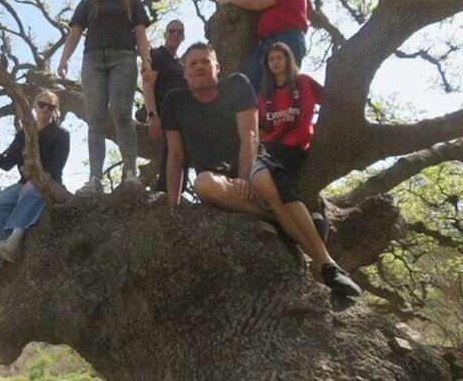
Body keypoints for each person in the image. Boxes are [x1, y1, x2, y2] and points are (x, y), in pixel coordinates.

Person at [161, 43, 360, 297]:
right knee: (202, 183)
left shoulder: (236, 85)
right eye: (193, 63)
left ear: (217, 67)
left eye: (205, 61)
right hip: (217, 176)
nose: (199, 66)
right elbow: (176, 157)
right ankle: (291, 222)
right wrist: (173, 208)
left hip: (251, 161)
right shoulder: (174, 101)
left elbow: (250, 136)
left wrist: (244, 177)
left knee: (265, 181)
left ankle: (329, 267)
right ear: (184, 72)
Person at [56, 0, 151, 194]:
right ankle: (95, 179)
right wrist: (64, 58)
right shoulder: (89, 2)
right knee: (95, 120)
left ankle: (131, 174)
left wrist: (146, 60)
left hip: (123, 58)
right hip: (93, 61)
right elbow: (75, 33)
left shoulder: (132, 1)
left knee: (122, 114)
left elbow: (141, 35)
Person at [0, 90, 70, 297]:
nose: (46, 109)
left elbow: (56, 167)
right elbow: (6, 163)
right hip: (22, 182)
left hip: (47, 182)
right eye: (42, 104)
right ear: (35, 106)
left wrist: (35, 177)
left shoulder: (61, 134)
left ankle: (14, 239)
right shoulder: (23, 134)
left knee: (31, 189)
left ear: (56, 111)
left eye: (51, 107)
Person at [220, 0, 308, 92]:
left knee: (283, 86)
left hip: (287, 38)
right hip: (266, 43)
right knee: (250, 86)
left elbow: (258, 4)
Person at [258, 42, 323, 177]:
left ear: (288, 59)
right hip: (269, 146)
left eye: (279, 58)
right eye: (271, 59)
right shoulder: (265, 94)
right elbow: (261, 129)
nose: (275, 62)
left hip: (295, 144)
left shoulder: (304, 82)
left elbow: (330, 102)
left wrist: (318, 128)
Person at [143, 19, 187, 192]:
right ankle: (163, 197)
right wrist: (152, 115)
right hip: (165, 116)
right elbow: (147, 85)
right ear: (165, 34)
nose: (175, 34)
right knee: (171, 157)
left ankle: (177, 199)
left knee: (183, 159)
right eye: (172, 31)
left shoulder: (180, 64)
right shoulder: (156, 55)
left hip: (183, 119)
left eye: (180, 32)